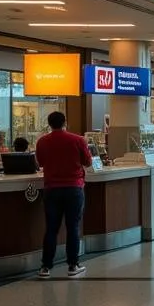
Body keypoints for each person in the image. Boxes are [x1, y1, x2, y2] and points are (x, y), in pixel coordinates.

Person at [35, 111, 92, 278]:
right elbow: (87, 162)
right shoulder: (77, 140)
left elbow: (41, 163)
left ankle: (45, 267)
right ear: (65, 122)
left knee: (51, 229)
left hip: (52, 189)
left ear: (49, 123)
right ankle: (73, 266)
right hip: (74, 188)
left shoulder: (42, 141)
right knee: (72, 227)